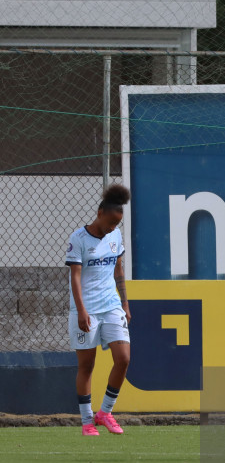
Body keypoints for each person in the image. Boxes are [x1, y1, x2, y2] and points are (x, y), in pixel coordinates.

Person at [65, 184, 131, 436]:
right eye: (111, 222)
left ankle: (105, 413)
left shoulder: (115, 236)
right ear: (100, 213)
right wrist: (81, 310)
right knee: (87, 365)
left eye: (117, 223)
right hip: (87, 309)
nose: (113, 227)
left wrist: (125, 303)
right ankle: (86, 422)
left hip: (111, 306)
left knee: (123, 359)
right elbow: (75, 277)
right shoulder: (78, 239)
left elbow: (118, 269)